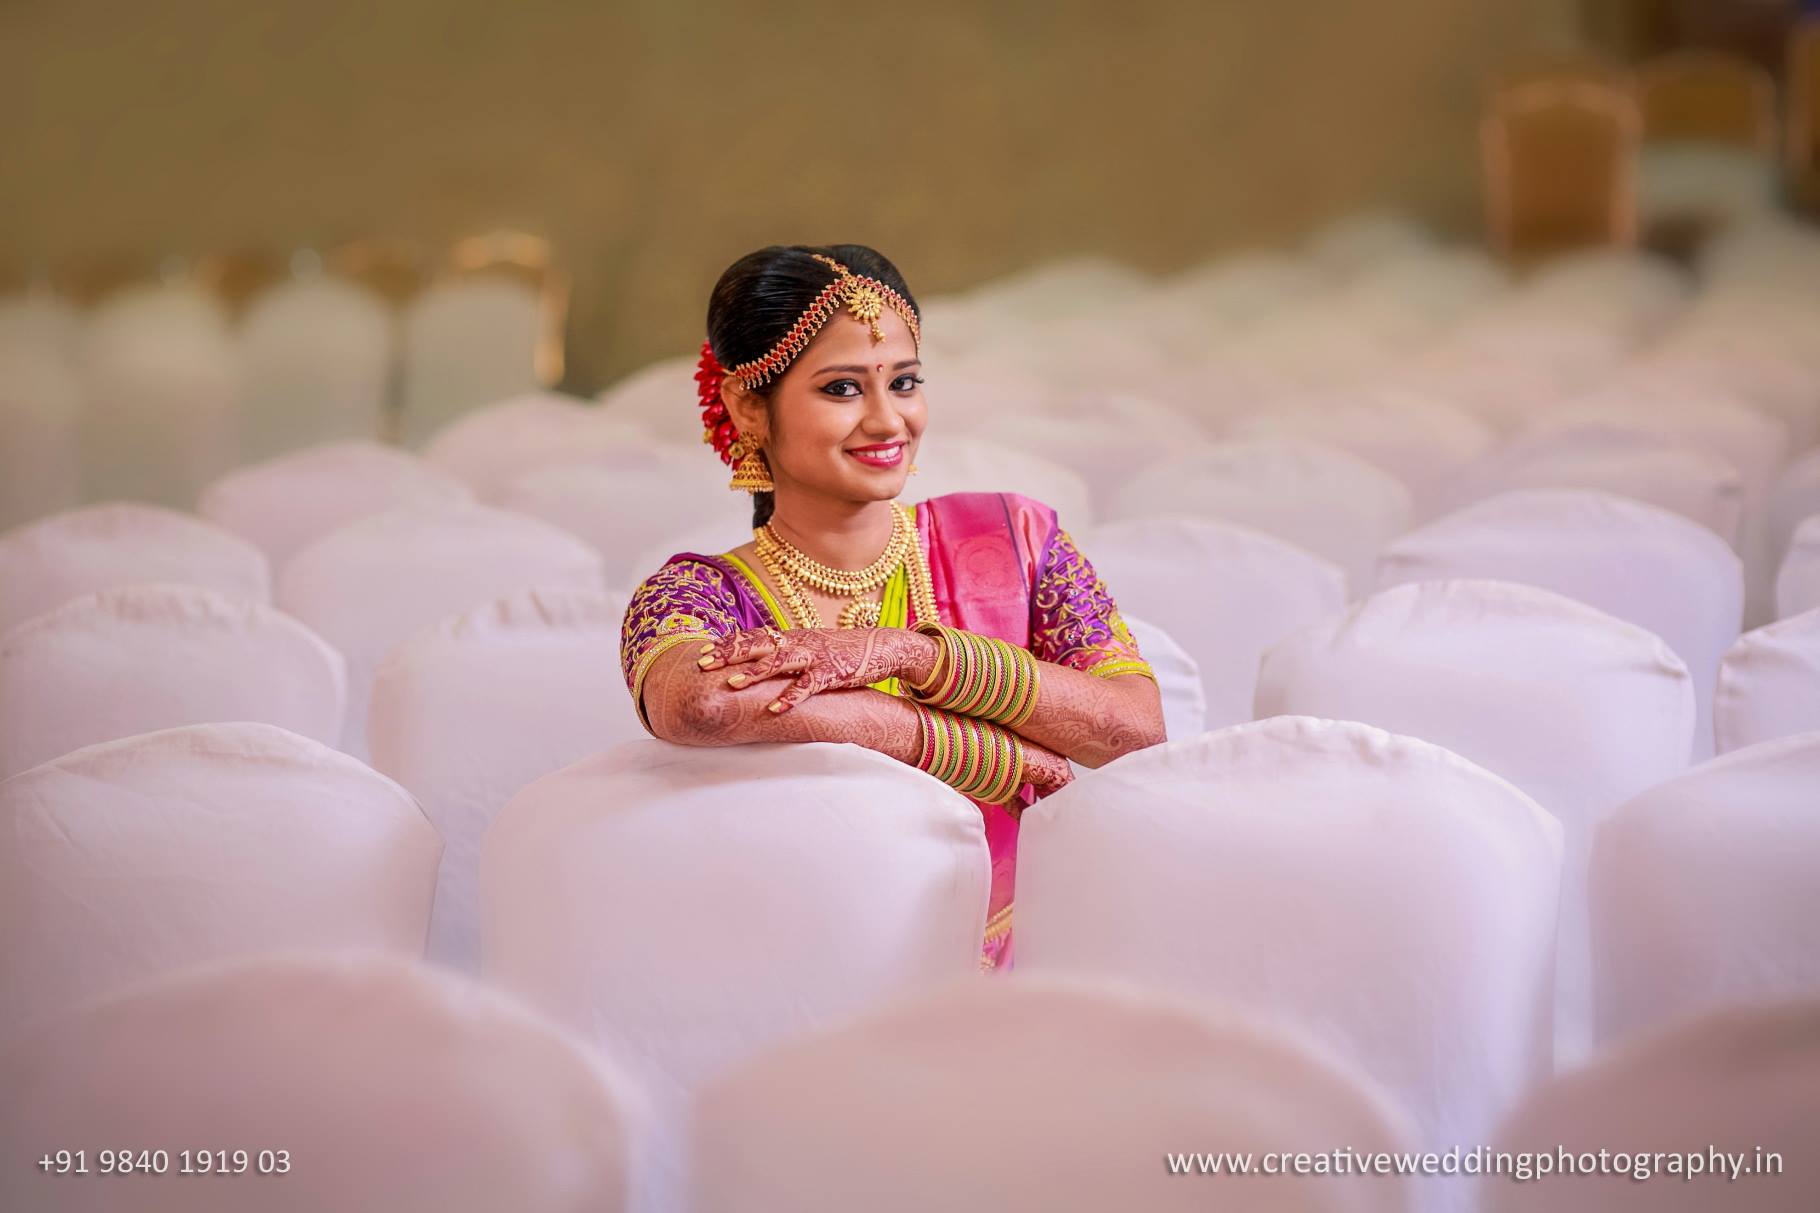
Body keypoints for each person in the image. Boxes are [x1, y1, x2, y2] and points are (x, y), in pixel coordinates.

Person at [620, 243, 1166, 969]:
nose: (888, 421)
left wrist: (911, 654)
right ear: (749, 407)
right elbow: (701, 704)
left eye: (903, 382)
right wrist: (964, 745)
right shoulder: (695, 595)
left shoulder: (1015, 540)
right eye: (843, 389)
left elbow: (1135, 731)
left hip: (1028, 969)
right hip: (803, 965)